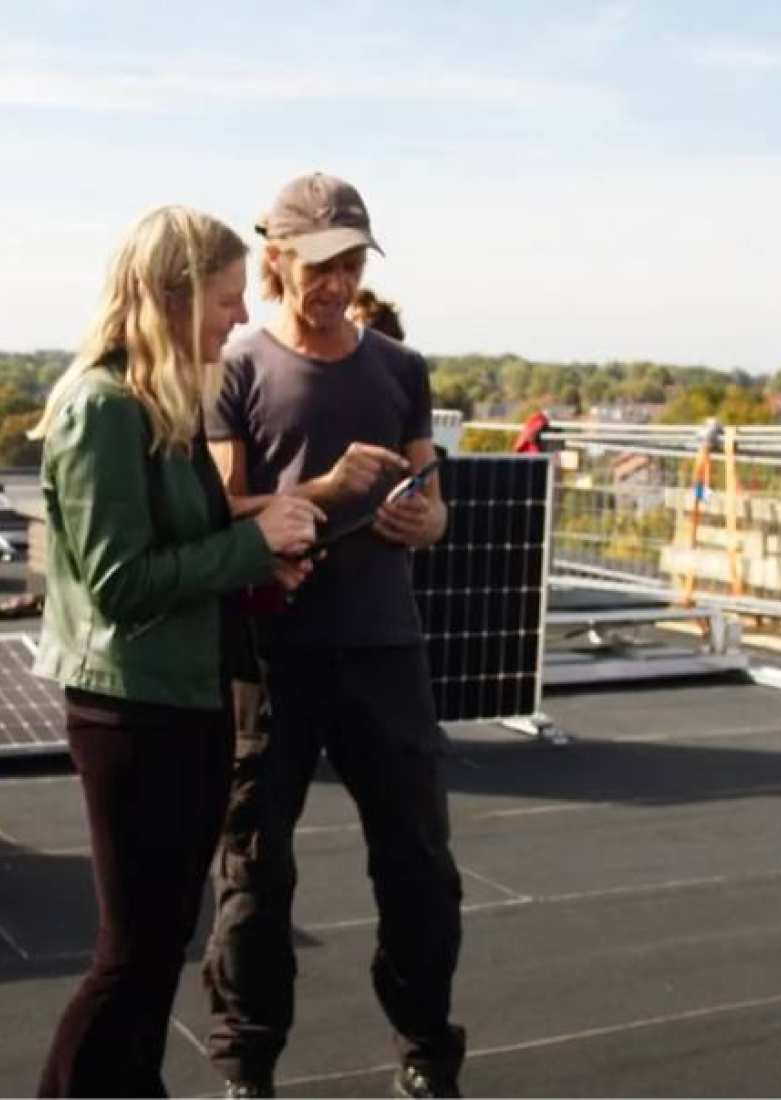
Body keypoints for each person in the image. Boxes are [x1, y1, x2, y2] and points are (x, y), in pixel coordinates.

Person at [30, 205, 322, 1098]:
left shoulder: (157, 402)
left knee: (160, 945)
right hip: (131, 712)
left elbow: (176, 541)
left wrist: (266, 541)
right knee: (132, 955)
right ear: (172, 293)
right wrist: (250, 541)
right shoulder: (103, 409)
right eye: (228, 298)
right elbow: (120, 582)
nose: (240, 317)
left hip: (179, 700)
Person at [203, 172, 465, 1099]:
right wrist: (320, 492)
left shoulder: (400, 367)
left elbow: (429, 499)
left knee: (419, 865)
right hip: (271, 658)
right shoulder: (236, 364)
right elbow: (219, 509)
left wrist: (425, 521)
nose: (336, 280)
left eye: (352, 261)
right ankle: (247, 1067)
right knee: (256, 875)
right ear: (274, 257)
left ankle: (427, 1053)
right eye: (319, 263)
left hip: (385, 649)